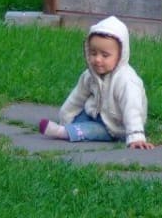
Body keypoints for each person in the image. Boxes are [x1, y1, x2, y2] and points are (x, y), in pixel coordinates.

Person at [39, 15, 154, 149]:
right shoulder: (90, 75)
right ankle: (67, 127)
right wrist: (65, 118)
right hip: (95, 114)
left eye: (105, 55)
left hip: (116, 126)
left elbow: (132, 108)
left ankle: (64, 132)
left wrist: (136, 136)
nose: (98, 59)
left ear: (120, 55)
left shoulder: (126, 80)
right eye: (93, 53)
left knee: (92, 130)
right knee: (79, 117)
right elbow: (77, 98)